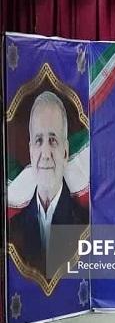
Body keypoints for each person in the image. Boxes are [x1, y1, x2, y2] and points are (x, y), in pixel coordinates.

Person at [9, 91, 88, 276]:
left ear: (65, 152)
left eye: (53, 140)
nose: (45, 153)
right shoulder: (13, 228)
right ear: (31, 152)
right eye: (39, 141)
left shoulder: (85, 223)